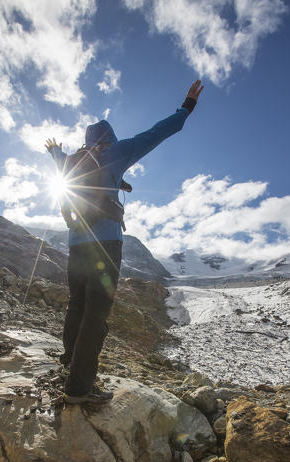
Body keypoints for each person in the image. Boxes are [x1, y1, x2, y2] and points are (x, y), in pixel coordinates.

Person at [46, 80, 204, 405]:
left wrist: (53, 151)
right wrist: (186, 107)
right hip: (104, 245)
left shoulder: (75, 160)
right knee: (95, 314)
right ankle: (79, 389)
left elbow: (60, 162)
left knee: (76, 305)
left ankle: (69, 365)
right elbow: (158, 132)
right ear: (110, 138)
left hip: (75, 245)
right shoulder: (116, 152)